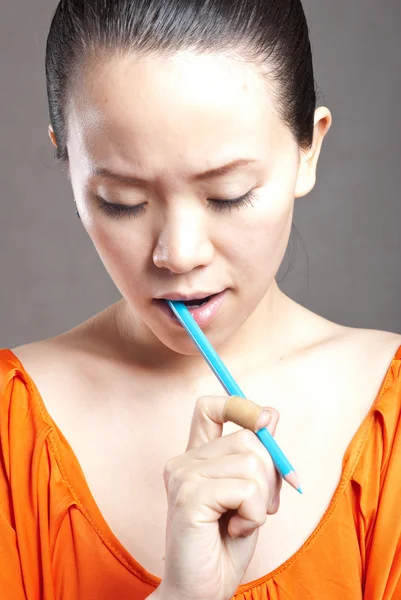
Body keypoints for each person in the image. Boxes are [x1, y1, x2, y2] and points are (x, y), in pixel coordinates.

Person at [1, 0, 400, 598]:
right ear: (69, 165)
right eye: (121, 201)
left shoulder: (388, 418)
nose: (179, 254)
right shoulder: (14, 433)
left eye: (229, 194)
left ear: (307, 152)